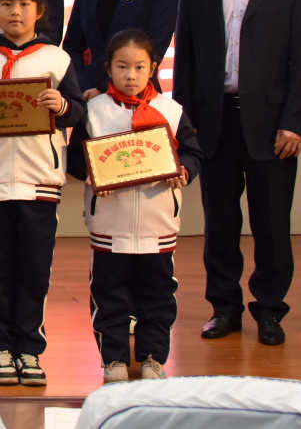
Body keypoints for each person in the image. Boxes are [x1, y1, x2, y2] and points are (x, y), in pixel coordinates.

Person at [173, 0, 301, 347]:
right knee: (220, 223)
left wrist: (295, 123)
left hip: (272, 126)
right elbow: (186, 63)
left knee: (271, 224)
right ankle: (224, 308)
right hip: (213, 123)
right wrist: (184, 126)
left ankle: (270, 310)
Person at [0, 0, 85, 387]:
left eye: (25, 3)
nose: (15, 11)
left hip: (39, 180)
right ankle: (1, 347)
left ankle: (29, 347)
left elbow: (78, 111)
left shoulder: (57, 60)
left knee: (33, 269)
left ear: (40, 11)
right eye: (7, 3)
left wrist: (61, 105)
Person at [66, 29, 201, 382]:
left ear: (153, 68)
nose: (131, 76)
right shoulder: (94, 111)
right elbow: (76, 160)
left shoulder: (171, 111)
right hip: (110, 226)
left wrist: (184, 170)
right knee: (109, 296)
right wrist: (93, 174)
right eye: (122, 66)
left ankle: (153, 358)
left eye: (139, 67)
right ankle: (113, 359)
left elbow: (192, 152)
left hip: (158, 226)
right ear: (108, 68)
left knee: (158, 296)